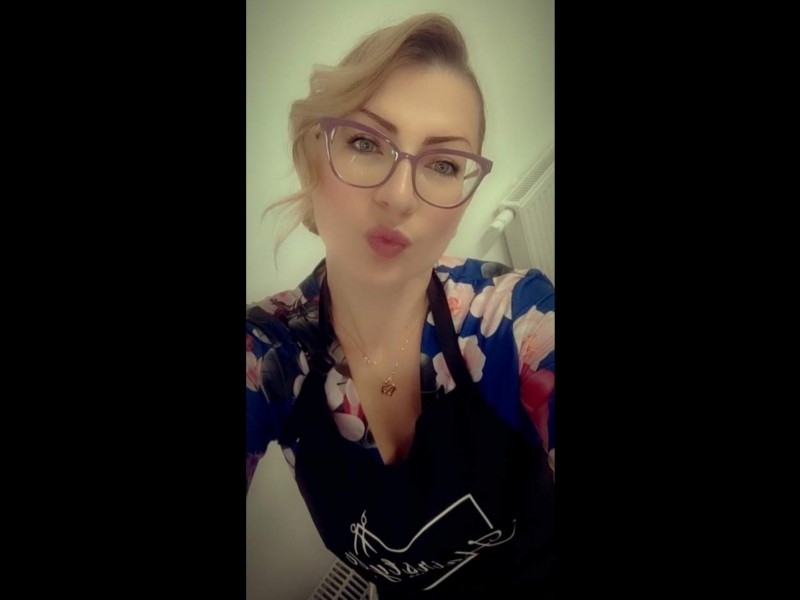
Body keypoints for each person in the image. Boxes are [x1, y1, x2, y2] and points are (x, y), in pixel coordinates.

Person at [246, 13, 554, 599]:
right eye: (365, 143)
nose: (398, 195)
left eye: (442, 164)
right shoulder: (270, 353)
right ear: (315, 159)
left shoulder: (513, 317)